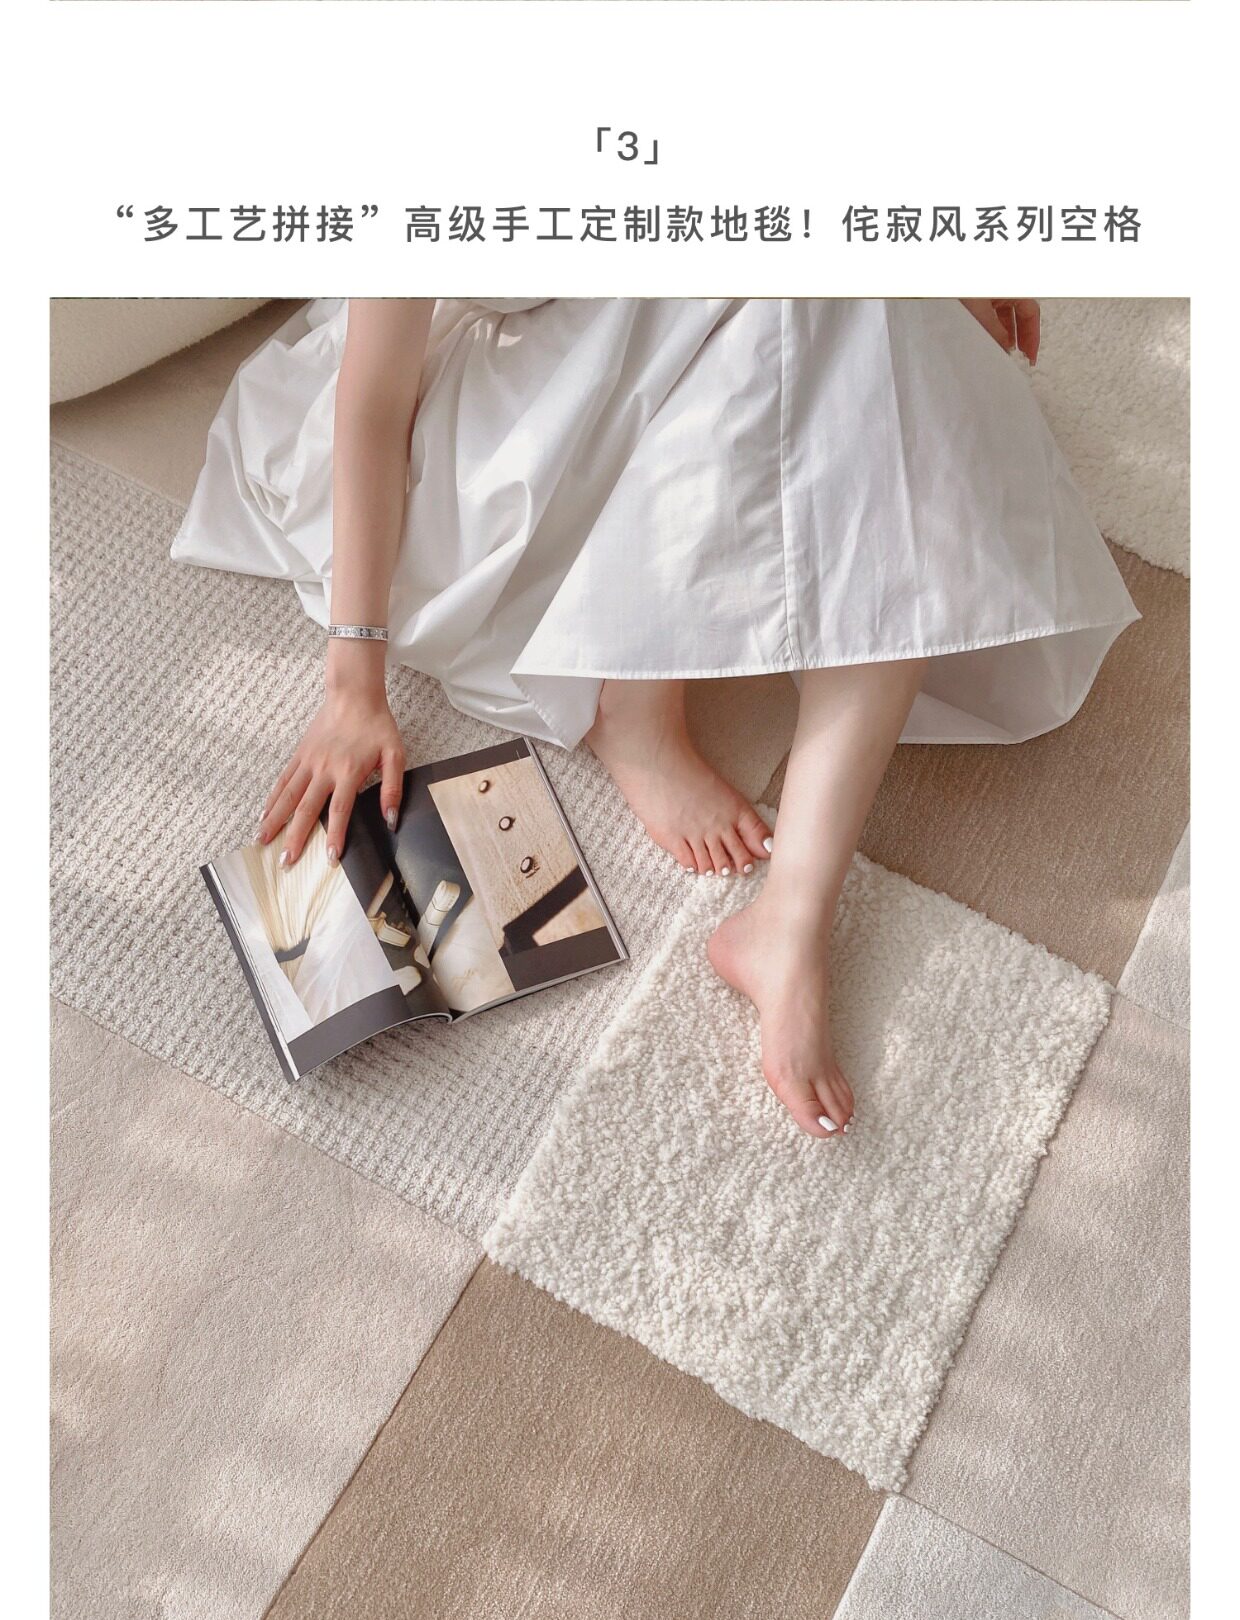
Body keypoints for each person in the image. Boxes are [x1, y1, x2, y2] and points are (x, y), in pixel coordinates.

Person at [173, 297, 1137, 1140]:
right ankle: (635, 699)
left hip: (657, 340)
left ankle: (790, 918)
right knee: (852, 320)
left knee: (878, 327)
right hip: (494, 439)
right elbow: (374, 407)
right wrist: (353, 685)